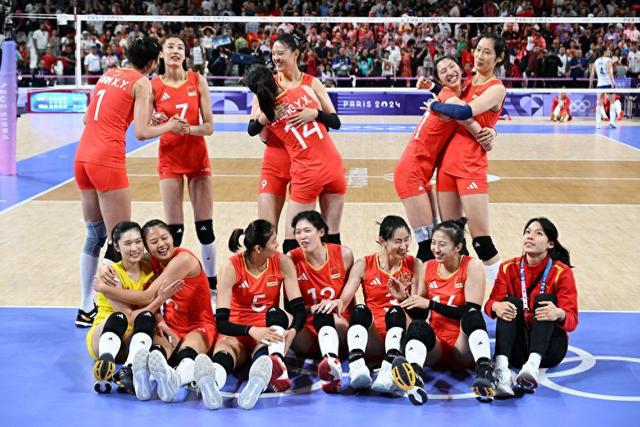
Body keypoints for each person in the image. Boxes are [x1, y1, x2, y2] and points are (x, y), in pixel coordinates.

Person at [73, 37, 188, 328]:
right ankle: (108, 308)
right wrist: (171, 126)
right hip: (106, 160)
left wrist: (148, 116)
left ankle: (85, 307)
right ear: (152, 62)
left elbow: (89, 118)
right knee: (120, 238)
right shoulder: (142, 82)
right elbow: (142, 133)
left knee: (94, 235)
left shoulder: (108, 74)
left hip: (82, 157)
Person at [96, 219, 217, 402]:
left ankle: (174, 380)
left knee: (187, 354)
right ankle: (142, 380)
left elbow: (147, 297)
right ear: (147, 247)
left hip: (198, 324)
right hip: (169, 324)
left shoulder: (183, 260)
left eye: (164, 238)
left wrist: (104, 288)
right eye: (153, 242)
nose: (161, 244)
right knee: (156, 352)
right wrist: (102, 268)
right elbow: (127, 257)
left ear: (172, 238)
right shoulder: (153, 260)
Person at [192, 220, 307, 410]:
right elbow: (221, 323)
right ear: (258, 249)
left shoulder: (283, 262)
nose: (278, 245)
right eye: (273, 242)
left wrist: (293, 331)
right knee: (225, 352)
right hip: (237, 330)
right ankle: (211, 382)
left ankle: (255, 383)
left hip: (267, 331)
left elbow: (298, 309)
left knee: (266, 350)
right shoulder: (231, 267)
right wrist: (251, 330)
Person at [246, 32, 343, 250]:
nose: (276, 58)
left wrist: (314, 114)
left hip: (306, 161)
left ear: (295, 54)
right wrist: (266, 117)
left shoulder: (311, 83)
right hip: (276, 159)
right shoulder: (265, 86)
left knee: (303, 232)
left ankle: (307, 266)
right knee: (266, 232)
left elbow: (335, 122)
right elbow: (253, 128)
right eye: (273, 54)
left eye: (280, 53)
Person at [425, 32, 508, 287]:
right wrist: (433, 88)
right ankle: (460, 292)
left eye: (487, 52)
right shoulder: (468, 83)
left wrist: (434, 105)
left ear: (499, 58)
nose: (480, 56)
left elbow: (462, 111)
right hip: (446, 167)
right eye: (478, 49)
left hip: (471, 167)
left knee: (481, 239)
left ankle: (502, 293)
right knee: (452, 237)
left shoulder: (496, 88)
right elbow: (449, 96)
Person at [394, 57, 496, 262]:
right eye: (443, 71)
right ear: (440, 79)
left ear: (460, 68)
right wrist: (486, 138)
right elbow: (464, 115)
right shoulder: (449, 99)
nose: (449, 72)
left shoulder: (449, 96)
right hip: (410, 174)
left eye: (451, 66)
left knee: (435, 239)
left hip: (421, 175)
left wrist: (492, 131)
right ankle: (418, 283)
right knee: (426, 246)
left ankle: (448, 279)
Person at [387, 219, 495, 405]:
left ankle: (485, 372)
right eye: (433, 243)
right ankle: (415, 379)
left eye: (442, 244)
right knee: (418, 326)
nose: (435, 249)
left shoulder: (472, 265)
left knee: (473, 315)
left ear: (458, 247)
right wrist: (404, 298)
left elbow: (470, 311)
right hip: (436, 348)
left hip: (463, 348)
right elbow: (420, 313)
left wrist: (431, 304)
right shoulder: (428, 266)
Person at [151, 35, 218, 294]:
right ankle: (172, 284)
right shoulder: (154, 86)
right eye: (170, 47)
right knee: (174, 230)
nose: (175, 51)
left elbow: (209, 127)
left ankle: (211, 283)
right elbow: (144, 125)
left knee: (205, 227)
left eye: (180, 47)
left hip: (197, 158)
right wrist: (157, 121)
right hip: (169, 159)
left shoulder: (197, 80)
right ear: (162, 54)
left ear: (186, 54)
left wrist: (186, 129)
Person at [484, 217, 578, 397]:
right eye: (527, 232)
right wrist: (496, 306)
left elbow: (572, 320)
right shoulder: (508, 268)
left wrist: (559, 313)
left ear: (550, 244)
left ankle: (532, 366)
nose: (530, 236)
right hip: (517, 350)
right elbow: (490, 303)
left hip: (549, 350)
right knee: (510, 303)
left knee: (545, 300)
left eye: (538, 233)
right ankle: (502, 370)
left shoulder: (562, 272)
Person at [89, 221, 183, 394]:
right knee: (121, 318)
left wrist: (160, 321)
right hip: (105, 335)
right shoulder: (111, 275)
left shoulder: (150, 267)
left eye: (138, 242)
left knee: (164, 343)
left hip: (135, 339)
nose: (134, 248)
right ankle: (106, 359)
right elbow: (129, 316)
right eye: (127, 243)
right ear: (116, 247)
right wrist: (160, 299)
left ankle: (129, 369)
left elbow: (146, 310)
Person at [336, 216, 424, 395]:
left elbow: (419, 311)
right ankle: (357, 367)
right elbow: (343, 302)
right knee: (359, 310)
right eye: (398, 241)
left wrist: (403, 297)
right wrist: (331, 304)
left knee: (396, 311)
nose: (404, 246)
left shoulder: (415, 264)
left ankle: (388, 369)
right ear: (383, 241)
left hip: (402, 337)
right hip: (373, 338)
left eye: (407, 240)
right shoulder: (364, 264)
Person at [287, 210, 354, 392]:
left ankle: (331, 363)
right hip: (308, 334)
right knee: (281, 318)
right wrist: (312, 309)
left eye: (307, 231)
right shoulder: (291, 260)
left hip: (338, 327)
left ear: (321, 232)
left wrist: (337, 306)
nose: (302, 236)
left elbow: (350, 301)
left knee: (327, 313)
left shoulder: (344, 254)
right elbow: (290, 307)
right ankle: (273, 366)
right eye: (298, 232)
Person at [589, 48, 617, 128]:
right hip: (608, 84)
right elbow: (609, 72)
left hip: (600, 85)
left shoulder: (596, 61)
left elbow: (592, 74)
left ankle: (598, 124)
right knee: (612, 103)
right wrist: (613, 83)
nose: (609, 51)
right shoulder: (608, 60)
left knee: (599, 104)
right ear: (604, 52)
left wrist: (590, 85)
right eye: (608, 50)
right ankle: (612, 122)